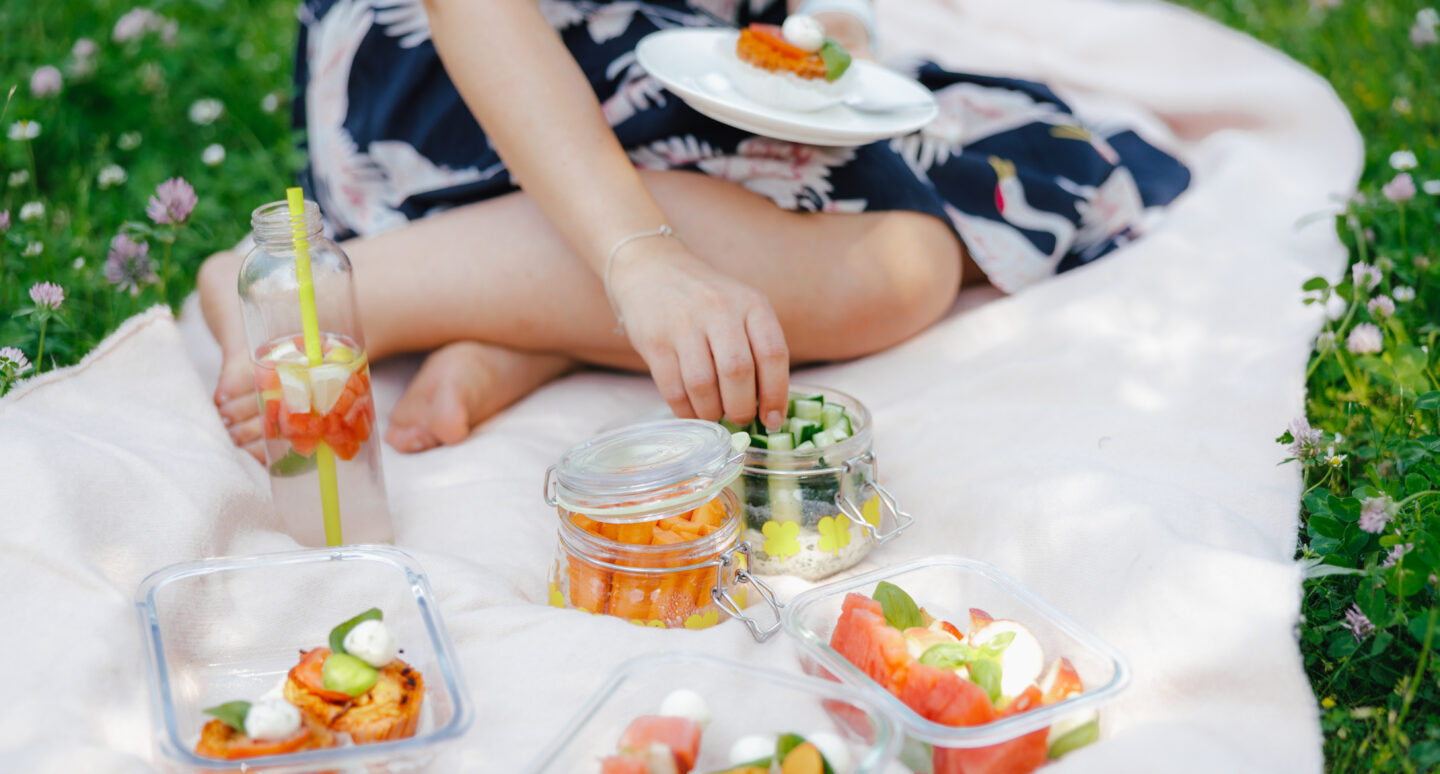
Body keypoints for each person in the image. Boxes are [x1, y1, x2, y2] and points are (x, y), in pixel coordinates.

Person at [199, 0, 1190, 461]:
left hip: (677, 45)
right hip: (459, 74)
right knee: (893, 265)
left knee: (923, 246)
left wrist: (820, 29)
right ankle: (329, 293)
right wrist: (649, 263)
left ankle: (525, 320)